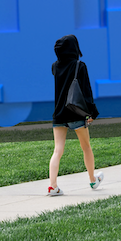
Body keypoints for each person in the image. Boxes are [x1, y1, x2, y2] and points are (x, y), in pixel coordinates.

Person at [48, 34, 103, 196]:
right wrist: (92, 112)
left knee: (57, 150)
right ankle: (93, 179)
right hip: (75, 113)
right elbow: (86, 91)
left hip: (59, 114)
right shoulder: (80, 66)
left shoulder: (55, 67)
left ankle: (53, 186)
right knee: (86, 147)